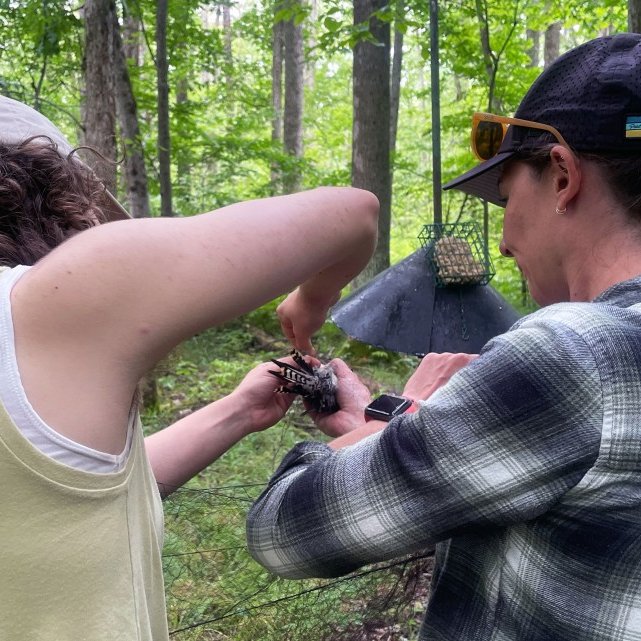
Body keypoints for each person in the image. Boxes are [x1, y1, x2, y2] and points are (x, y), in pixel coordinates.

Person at [246, 33, 641, 641]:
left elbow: (285, 533)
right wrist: (394, 428)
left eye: (508, 198)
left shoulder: (575, 353)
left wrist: (385, 422)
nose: (504, 242)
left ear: (562, 175)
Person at [0, 95, 379, 641]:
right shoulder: (42, 306)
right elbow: (353, 214)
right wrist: (310, 302)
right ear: (55, 196)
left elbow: (59, 500)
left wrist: (238, 411)